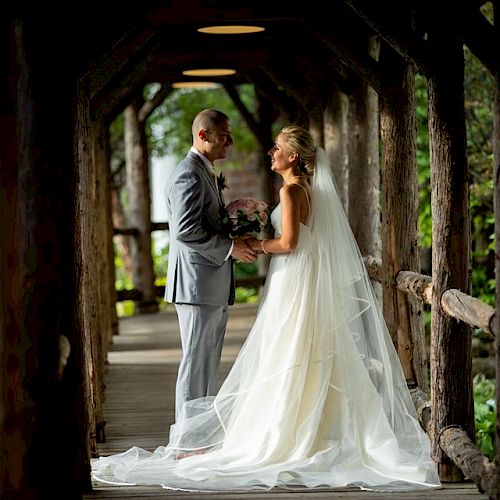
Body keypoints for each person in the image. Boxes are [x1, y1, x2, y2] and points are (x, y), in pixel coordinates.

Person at [92, 125, 441, 492]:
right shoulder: (305, 189)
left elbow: (289, 242)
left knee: (285, 349)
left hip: (293, 277)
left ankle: (284, 432)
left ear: (293, 156)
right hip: (297, 277)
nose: (270, 152)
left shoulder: (291, 190)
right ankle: (305, 424)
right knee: (296, 349)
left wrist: (257, 245)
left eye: (277, 147)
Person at [163, 109, 257, 422]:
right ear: (203, 135)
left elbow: (204, 223)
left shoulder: (204, 170)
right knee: (196, 363)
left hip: (208, 284)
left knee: (206, 364)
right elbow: (186, 230)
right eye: (224, 134)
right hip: (195, 285)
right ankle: (186, 441)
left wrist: (234, 232)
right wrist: (231, 247)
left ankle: (197, 435)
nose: (230, 141)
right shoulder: (188, 173)